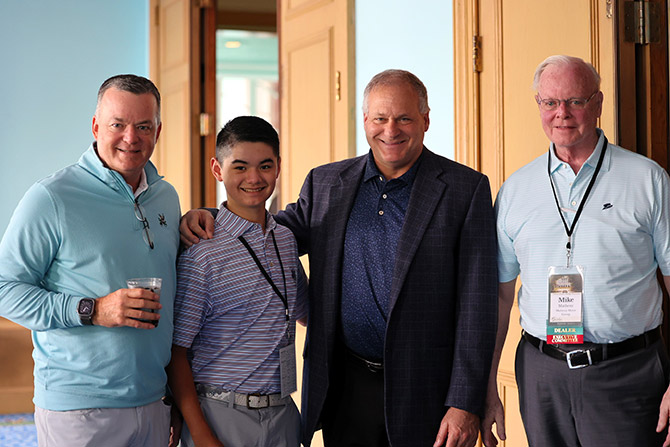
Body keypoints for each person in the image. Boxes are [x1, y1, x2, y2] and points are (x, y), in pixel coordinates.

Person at [181, 69, 498, 447]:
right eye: (380, 118)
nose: (390, 130)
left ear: (426, 120)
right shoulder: (327, 183)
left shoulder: (465, 189)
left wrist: (464, 402)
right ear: (365, 120)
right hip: (345, 387)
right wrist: (208, 216)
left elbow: (478, 306)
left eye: (404, 118)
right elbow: (267, 228)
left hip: (428, 391)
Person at [482, 55, 670, 447]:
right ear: (538, 105)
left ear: (598, 103)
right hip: (540, 375)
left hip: (626, 373)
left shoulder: (647, 180)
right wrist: (486, 384)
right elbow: (500, 296)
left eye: (575, 101)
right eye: (550, 102)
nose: (562, 113)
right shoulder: (515, 190)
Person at [0, 75, 181, 447]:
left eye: (143, 126)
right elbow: (5, 290)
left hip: (154, 401)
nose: (131, 138)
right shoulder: (51, 197)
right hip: (80, 410)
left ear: (158, 131)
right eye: (118, 125)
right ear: (96, 127)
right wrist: (93, 309)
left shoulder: (166, 197)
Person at [166, 116, 308, 447]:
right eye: (240, 167)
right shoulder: (202, 252)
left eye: (265, 166)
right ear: (217, 169)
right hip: (221, 414)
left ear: (278, 167)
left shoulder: (286, 241)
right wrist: (201, 434)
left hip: (284, 413)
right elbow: (176, 352)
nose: (254, 178)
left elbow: (303, 312)